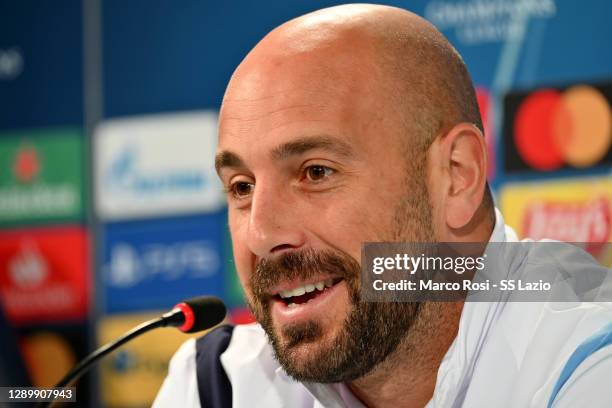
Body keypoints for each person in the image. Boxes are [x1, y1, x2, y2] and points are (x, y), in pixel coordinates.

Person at [153, 4, 612, 407]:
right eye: (241, 188)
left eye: (316, 172)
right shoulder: (218, 385)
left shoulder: (591, 358)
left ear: (457, 175)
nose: (262, 234)